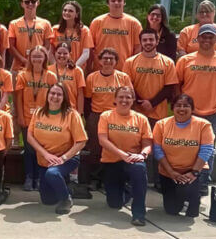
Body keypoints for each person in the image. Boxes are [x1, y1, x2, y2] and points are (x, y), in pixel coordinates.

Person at [26, 83, 87, 214]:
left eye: (59, 94)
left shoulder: (71, 115)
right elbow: (30, 136)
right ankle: (67, 187)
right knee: (47, 200)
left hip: (66, 158)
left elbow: (81, 141)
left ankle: (66, 199)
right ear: (47, 95)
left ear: (64, 97)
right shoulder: (39, 112)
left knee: (53, 173)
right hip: (45, 160)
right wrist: (45, 154)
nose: (55, 96)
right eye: (52, 93)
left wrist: (63, 158)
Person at [98, 86, 153, 226]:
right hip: (112, 161)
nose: (124, 100)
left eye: (128, 97)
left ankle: (139, 213)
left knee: (139, 169)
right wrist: (122, 154)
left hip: (133, 160)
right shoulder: (106, 116)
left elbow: (147, 143)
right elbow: (102, 140)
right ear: (115, 99)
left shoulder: (141, 119)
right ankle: (128, 189)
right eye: (121, 97)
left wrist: (142, 155)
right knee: (114, 204)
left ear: (133, 99)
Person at [153, 94, 214, 217]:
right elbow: (157, 150)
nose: (182, 109)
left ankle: (193, 199)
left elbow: (207, 150)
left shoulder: (203, 125)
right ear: (172, 108)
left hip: (194, 171)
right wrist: (170, 172)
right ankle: (180, 197)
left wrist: (194, 173)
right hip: (169, 171)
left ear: (192, 109)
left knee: (191, 212)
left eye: (186, 106)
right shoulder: (161, 124)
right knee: (172, 210)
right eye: (178, 106)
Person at [83, 48, 133, 194]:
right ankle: (95, 179)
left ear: (116, 62)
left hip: (117, 116)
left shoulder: (123, 77)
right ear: (99, 61)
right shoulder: (92, 77)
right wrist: (89, 118)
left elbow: (129, 98)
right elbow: (87, 99)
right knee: (95, 149)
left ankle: (110, 179)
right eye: (105, 58)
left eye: (112, 59)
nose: (108, 61)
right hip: (97, 115)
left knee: (114, 148)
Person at [175, 24, 216, 137]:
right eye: (204, 37)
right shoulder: (185, 60)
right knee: (187, 145)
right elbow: (176, 85)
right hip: (189, 111)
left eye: (210, 37)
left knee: (209, 148)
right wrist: (181, 106)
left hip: (215, 112)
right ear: (198, 39)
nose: (207, 40)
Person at [14, 46, 58, 191]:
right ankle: (29, 177)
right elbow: (18, 99)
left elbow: (55, 99)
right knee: (29, 150)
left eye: (40, 56)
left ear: (45, 58)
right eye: (34, 56)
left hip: (44, 119)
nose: (37, 59)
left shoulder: (51, 76)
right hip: (27, 117)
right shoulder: (22, 75)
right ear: (30, 58)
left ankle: (39, 178)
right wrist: (20, 116)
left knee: (41, 150)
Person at [124, 29, 178, 126]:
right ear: (140, 42)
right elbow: (127, 86)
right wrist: (141, 103)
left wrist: (152, 103)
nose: (148, 42)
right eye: (144, 40)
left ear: (157, 41)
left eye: (151, 39)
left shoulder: (168, 62)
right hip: (136, 112)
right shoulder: (130, 62)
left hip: (158, 114)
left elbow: (169, 87)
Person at [89, 0, 142, 72]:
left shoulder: (134, 23)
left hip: (124, 71)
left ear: (124, 3)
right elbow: (90, 48)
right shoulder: (97, 22)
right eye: (113, 1)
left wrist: (133, 67)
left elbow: (138, 48)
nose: (116, 3)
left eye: (119, 0)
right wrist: (89, 67)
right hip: (100, 70)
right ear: (108, 3)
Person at [8, 0, 53, 72]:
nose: (30, 4)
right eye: (27, 2)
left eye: (33, 1)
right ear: (22, 4)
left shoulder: (46, 23)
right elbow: (11, 46)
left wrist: (37, 58)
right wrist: (23, 60)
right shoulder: (14, 23)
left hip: (39, 66)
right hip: (18, 67)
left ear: (38, 2)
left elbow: (47, 45)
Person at [52, 1, 93, 69]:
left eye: (70, 11)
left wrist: (74, 67)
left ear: (77, 14)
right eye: (65, 10)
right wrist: (56, 66)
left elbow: (86, 53)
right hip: (58, 70)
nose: (67, 13)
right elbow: (50, 52)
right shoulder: (55, 29)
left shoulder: (84, 30)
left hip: (76, 68)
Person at [49, 43, 86, 113]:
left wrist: (80, 113)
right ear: (55, 53)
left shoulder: (77, 71)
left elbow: (80, 94)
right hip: (52, 109)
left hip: (70, 110)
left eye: (65, 53)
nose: (62, 55)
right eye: (59, 53)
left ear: (70, 54)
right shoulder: (48, 70)